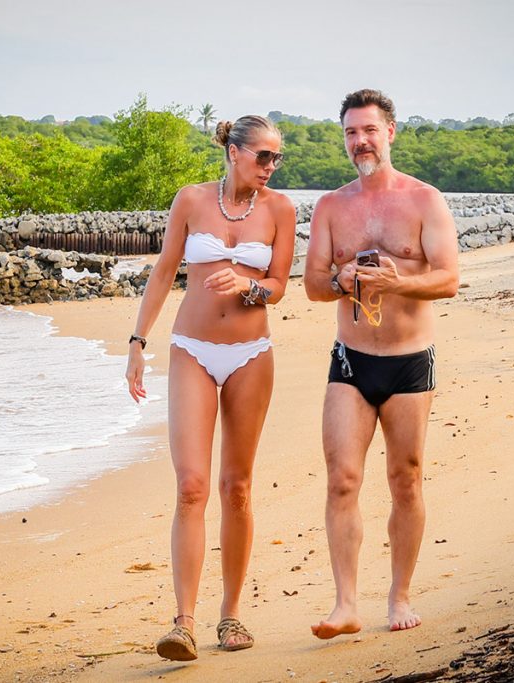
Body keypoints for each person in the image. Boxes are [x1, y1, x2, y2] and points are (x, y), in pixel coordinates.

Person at [125, 115, 296, 661]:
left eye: (277, 158)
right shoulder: (191, 200)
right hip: (191, 350)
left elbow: (279, 286)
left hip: (251, 354)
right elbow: (163, 271)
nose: (271, 167)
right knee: (192, 485)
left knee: (237, 486)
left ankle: (231, 616)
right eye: (263, 156)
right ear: (234, 152)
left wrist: (249, 285)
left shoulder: (280, 209)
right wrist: (136, 342)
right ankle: (184, 622)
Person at [303, 89, 459, 639]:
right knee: (343, 480)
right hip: (350, 360)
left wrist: (400, 281)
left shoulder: (425, 201)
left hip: (409, 363)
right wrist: (341, 280)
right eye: (350, 132)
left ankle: (400, 595)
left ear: (391, 132)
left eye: (368, 130)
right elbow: (313, 287)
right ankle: (345, 604)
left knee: (405, 479)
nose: (359, 141)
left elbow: (448, 279)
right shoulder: (331, 206)